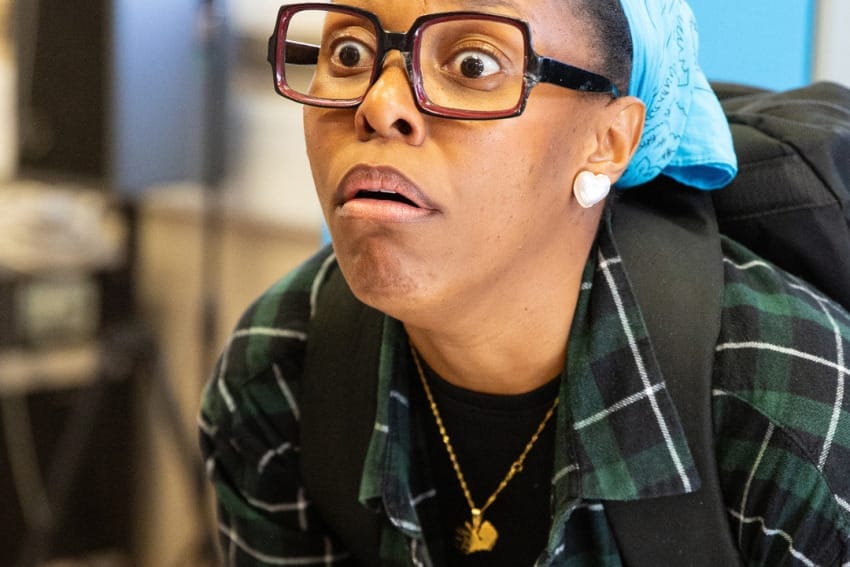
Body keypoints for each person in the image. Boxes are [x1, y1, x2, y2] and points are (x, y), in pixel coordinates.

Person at [198, 0, 850, 565]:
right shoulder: (280, 373)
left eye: (473, 64)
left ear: (609, 141)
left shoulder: (789, 414)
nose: (380, 105)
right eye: (348, 53)